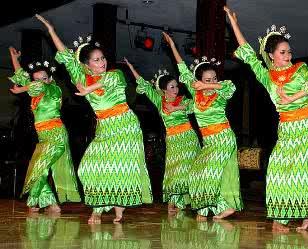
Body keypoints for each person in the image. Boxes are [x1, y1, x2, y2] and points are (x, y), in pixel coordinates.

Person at [225, 6, 308, 231]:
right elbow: (246, 52)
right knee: (277, 169)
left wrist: (292, 97)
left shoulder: (300, 69)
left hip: (307, 124)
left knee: (302, 170)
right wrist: (234, 24)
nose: (288, 55)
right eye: (283, 52)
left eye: (289, 51)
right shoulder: (267, 76)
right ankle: (280, 217)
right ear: (271, 55)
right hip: (286, 127)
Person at [36, 14, 152, 224]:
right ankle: (99, 206)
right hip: (105, 127)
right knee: (89, 167)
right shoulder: (80, 76)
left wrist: (89, 88)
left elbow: (107, 81)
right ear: (87, 64)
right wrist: (51, 30)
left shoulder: (115, 74)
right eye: (97, 60)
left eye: (103, 58)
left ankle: (113, 208)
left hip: (125, 124)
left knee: (121, 167)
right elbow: (65, 55)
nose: (103, 62)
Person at [164, 32, 243, 221]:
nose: (212, 82)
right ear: (198, 81)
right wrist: (173, 46)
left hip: (223, 138)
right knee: (198, 172)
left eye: (214, 78)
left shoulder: (220, 93)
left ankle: (208, 210)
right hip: (208, 141)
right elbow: (182, 69)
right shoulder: (196, 93)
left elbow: (230, 86)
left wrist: (212, 86)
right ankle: (213, 207)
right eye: (208, 80)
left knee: (210, 173)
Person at [8, 46, 80, 213]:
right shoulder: (35, 93)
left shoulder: (54, 89)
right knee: (37, 168)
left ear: (49, 79)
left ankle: (34, 201)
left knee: (39, 167)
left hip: (56, 134)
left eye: (44, 78)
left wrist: (21, 89)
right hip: (43, 137)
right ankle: (51, 203)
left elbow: (35, 86)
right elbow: (22, 77)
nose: (40, 82)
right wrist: (15, 59)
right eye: (36, 79)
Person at [125, 59, 200, 213]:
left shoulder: (184, 101)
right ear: (163, 89)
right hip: (173, 140)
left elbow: (198, 105)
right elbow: (144, 84)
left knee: (190, 169)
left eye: (177, 86)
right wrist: (131, 67)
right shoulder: (159, 100)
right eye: (172, 87)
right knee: (174, 171)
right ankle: (173, 201)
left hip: (189, 138)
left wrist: (178, 106)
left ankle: (193, 199)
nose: (176, 89)